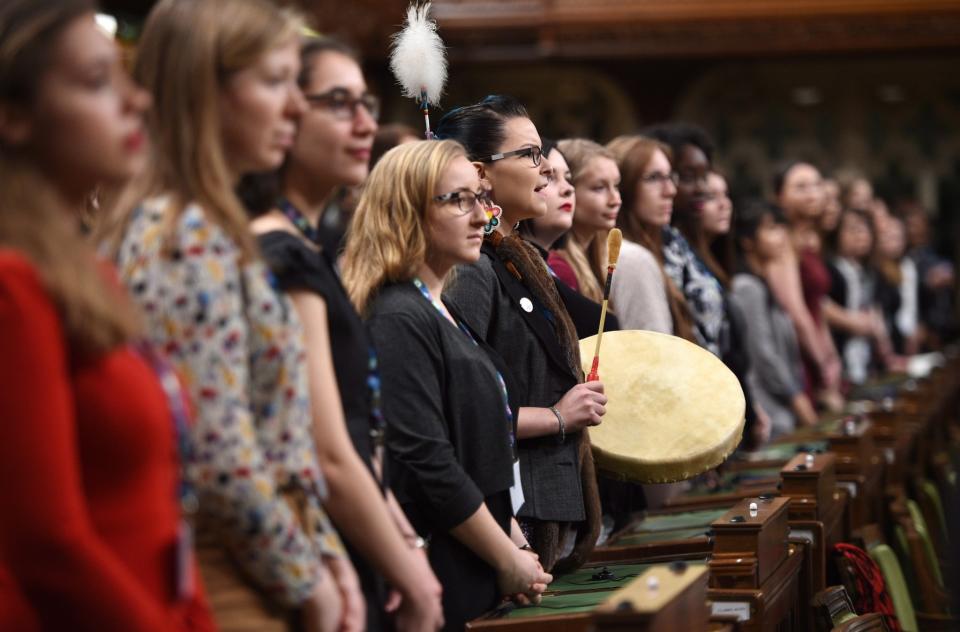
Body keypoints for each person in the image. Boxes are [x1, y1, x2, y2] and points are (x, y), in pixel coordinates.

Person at [100, 1, 357, 629]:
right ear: (203, 93)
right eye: (275, 83)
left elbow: (276, 439)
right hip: (235, 576)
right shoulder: (184, 233)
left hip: (264, 554)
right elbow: (219, 454)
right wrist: (308, 581)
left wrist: (325, 551)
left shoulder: (206, 224)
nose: (296, 108)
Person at [0, 1, 214, 629]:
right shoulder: (15, 284)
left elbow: (157, 508)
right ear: (13, 116)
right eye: (96, 83)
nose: (136, 102)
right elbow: (48, 544)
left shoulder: (89, 273)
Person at [246, 35, 444, 631]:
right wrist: (411, 575)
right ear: (284, 109)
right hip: (321, 553)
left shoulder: (303, 242)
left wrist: (401, 536)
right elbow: (326, 451)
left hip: (356, 531)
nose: (363, 122)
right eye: (338, 103)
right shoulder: (280, 250)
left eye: (367, 104)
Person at [341, 139, 552, 630]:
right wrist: (504, 555)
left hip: (481, 559)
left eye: (480, 197)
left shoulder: (442, 306)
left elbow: (482, 449)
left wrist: (515, 540)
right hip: (442, 571)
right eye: (459, 200)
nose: (482, 216)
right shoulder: (396, 314)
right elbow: (426, 460)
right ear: (406, 211)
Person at [436, 96, 605, 572]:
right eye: (530, 154)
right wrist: (555, 416)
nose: (546, 169)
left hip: (545, 501)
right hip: (514, 510)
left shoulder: (514, 254)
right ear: (481, 174)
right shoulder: (473, 269)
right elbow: (459, 405)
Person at [731, 202, 817, 440]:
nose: (781, 236)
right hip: (770, 411)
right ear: (747, 241)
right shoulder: (747, 287)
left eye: (781, 228)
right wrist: (795, 397)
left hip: (781, 407)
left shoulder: (763, 282)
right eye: (770, 229)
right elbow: (763, 353)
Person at [521, 139, 621, 338]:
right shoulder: (559, 267)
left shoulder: (582, 259)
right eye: (598, 187)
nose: (569, 189)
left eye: (568, 178)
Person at [769, 161, 844, 410]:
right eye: (800, 187)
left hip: (817, 349)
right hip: (797, 354)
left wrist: (831, 357)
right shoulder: (781, 242)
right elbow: (795, 311)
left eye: (817, 185)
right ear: (781, 197)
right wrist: (822, 364)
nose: (812, 192)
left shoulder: (810, 239)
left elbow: (817, 307)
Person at [606, 135, 693, 337]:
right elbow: (654, 355)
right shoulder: (632, 259)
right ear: (623, 187)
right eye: (653, 178)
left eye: (671, 176)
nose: (670, 190)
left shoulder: (658, 248)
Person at [552, 139, 622, 302]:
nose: (615, 200)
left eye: (617, 186)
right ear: (567, 190)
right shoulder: (558, 269)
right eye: (599, 188)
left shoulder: (599, 256)